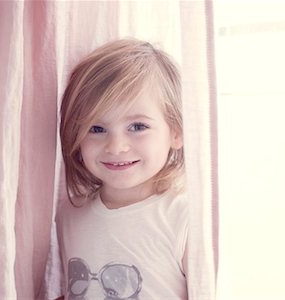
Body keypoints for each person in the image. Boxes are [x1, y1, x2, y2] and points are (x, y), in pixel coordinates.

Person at [55, 38, 188, 299]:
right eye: (96, 128)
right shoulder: (70, 214)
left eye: (138, 126)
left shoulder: (183, 218)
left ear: (176, 131)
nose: (116, 147)